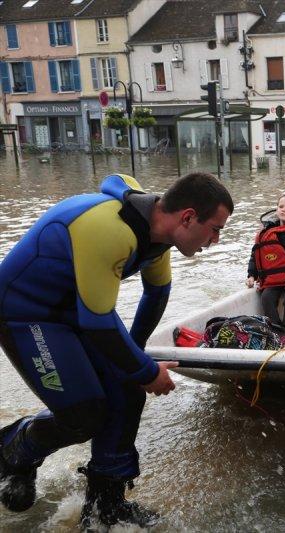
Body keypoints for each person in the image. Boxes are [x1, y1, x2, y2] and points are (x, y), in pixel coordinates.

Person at [0, 173, 233, 528]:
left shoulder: (157, 233)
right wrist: (146, 371)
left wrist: (133, 363)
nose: (215, 241)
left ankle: (105, 505)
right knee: (84, 415)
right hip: (24, 313)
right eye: (215, 229)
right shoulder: (113, 229)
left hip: (73, 311)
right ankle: (14, 452)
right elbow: (97, 323)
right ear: (187, 217)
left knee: (126, 392)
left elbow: (156, 294)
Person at [246, 193, 285, 340]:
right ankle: (276, 331)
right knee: (267, 297)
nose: (283, 210)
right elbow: (256, 254)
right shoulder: (266, 232)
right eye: (280, 206)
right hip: (274, 279)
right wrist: (251, 275)